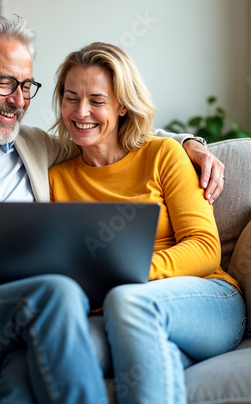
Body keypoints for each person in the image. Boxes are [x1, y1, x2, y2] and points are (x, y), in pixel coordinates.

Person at [0, 13, 224, 404]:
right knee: (54, 292)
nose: (18, 101)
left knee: (23, 376)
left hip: (11, 315)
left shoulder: (35, 147)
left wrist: (192, 143)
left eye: (26, 86)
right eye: (4, 83)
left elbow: (114, 135)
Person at [48, 42, 246, 404]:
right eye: (71, 98)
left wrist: (125, 273)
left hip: (207, 297)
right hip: (121, 312)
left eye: (97, 100)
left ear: (122, 104)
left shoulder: (163, 154)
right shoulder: (56, 179)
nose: (81, 112)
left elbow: (205, 248)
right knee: (133, 353)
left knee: (128, 300)